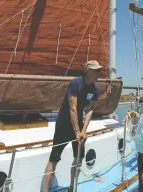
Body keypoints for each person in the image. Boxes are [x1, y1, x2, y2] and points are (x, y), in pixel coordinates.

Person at [43, 60, 102, 192]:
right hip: (64, 124)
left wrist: (83, 130)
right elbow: (72, 108)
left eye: (100, 70)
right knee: (54, 158)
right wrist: (77, 131)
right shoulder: (75, 83)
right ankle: (45, 190)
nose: (99, 73)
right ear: (87, 71)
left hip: (78, 124)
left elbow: (90, 109)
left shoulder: (96, 88)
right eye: (96, 70)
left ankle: (72, 187)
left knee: (79, 156)